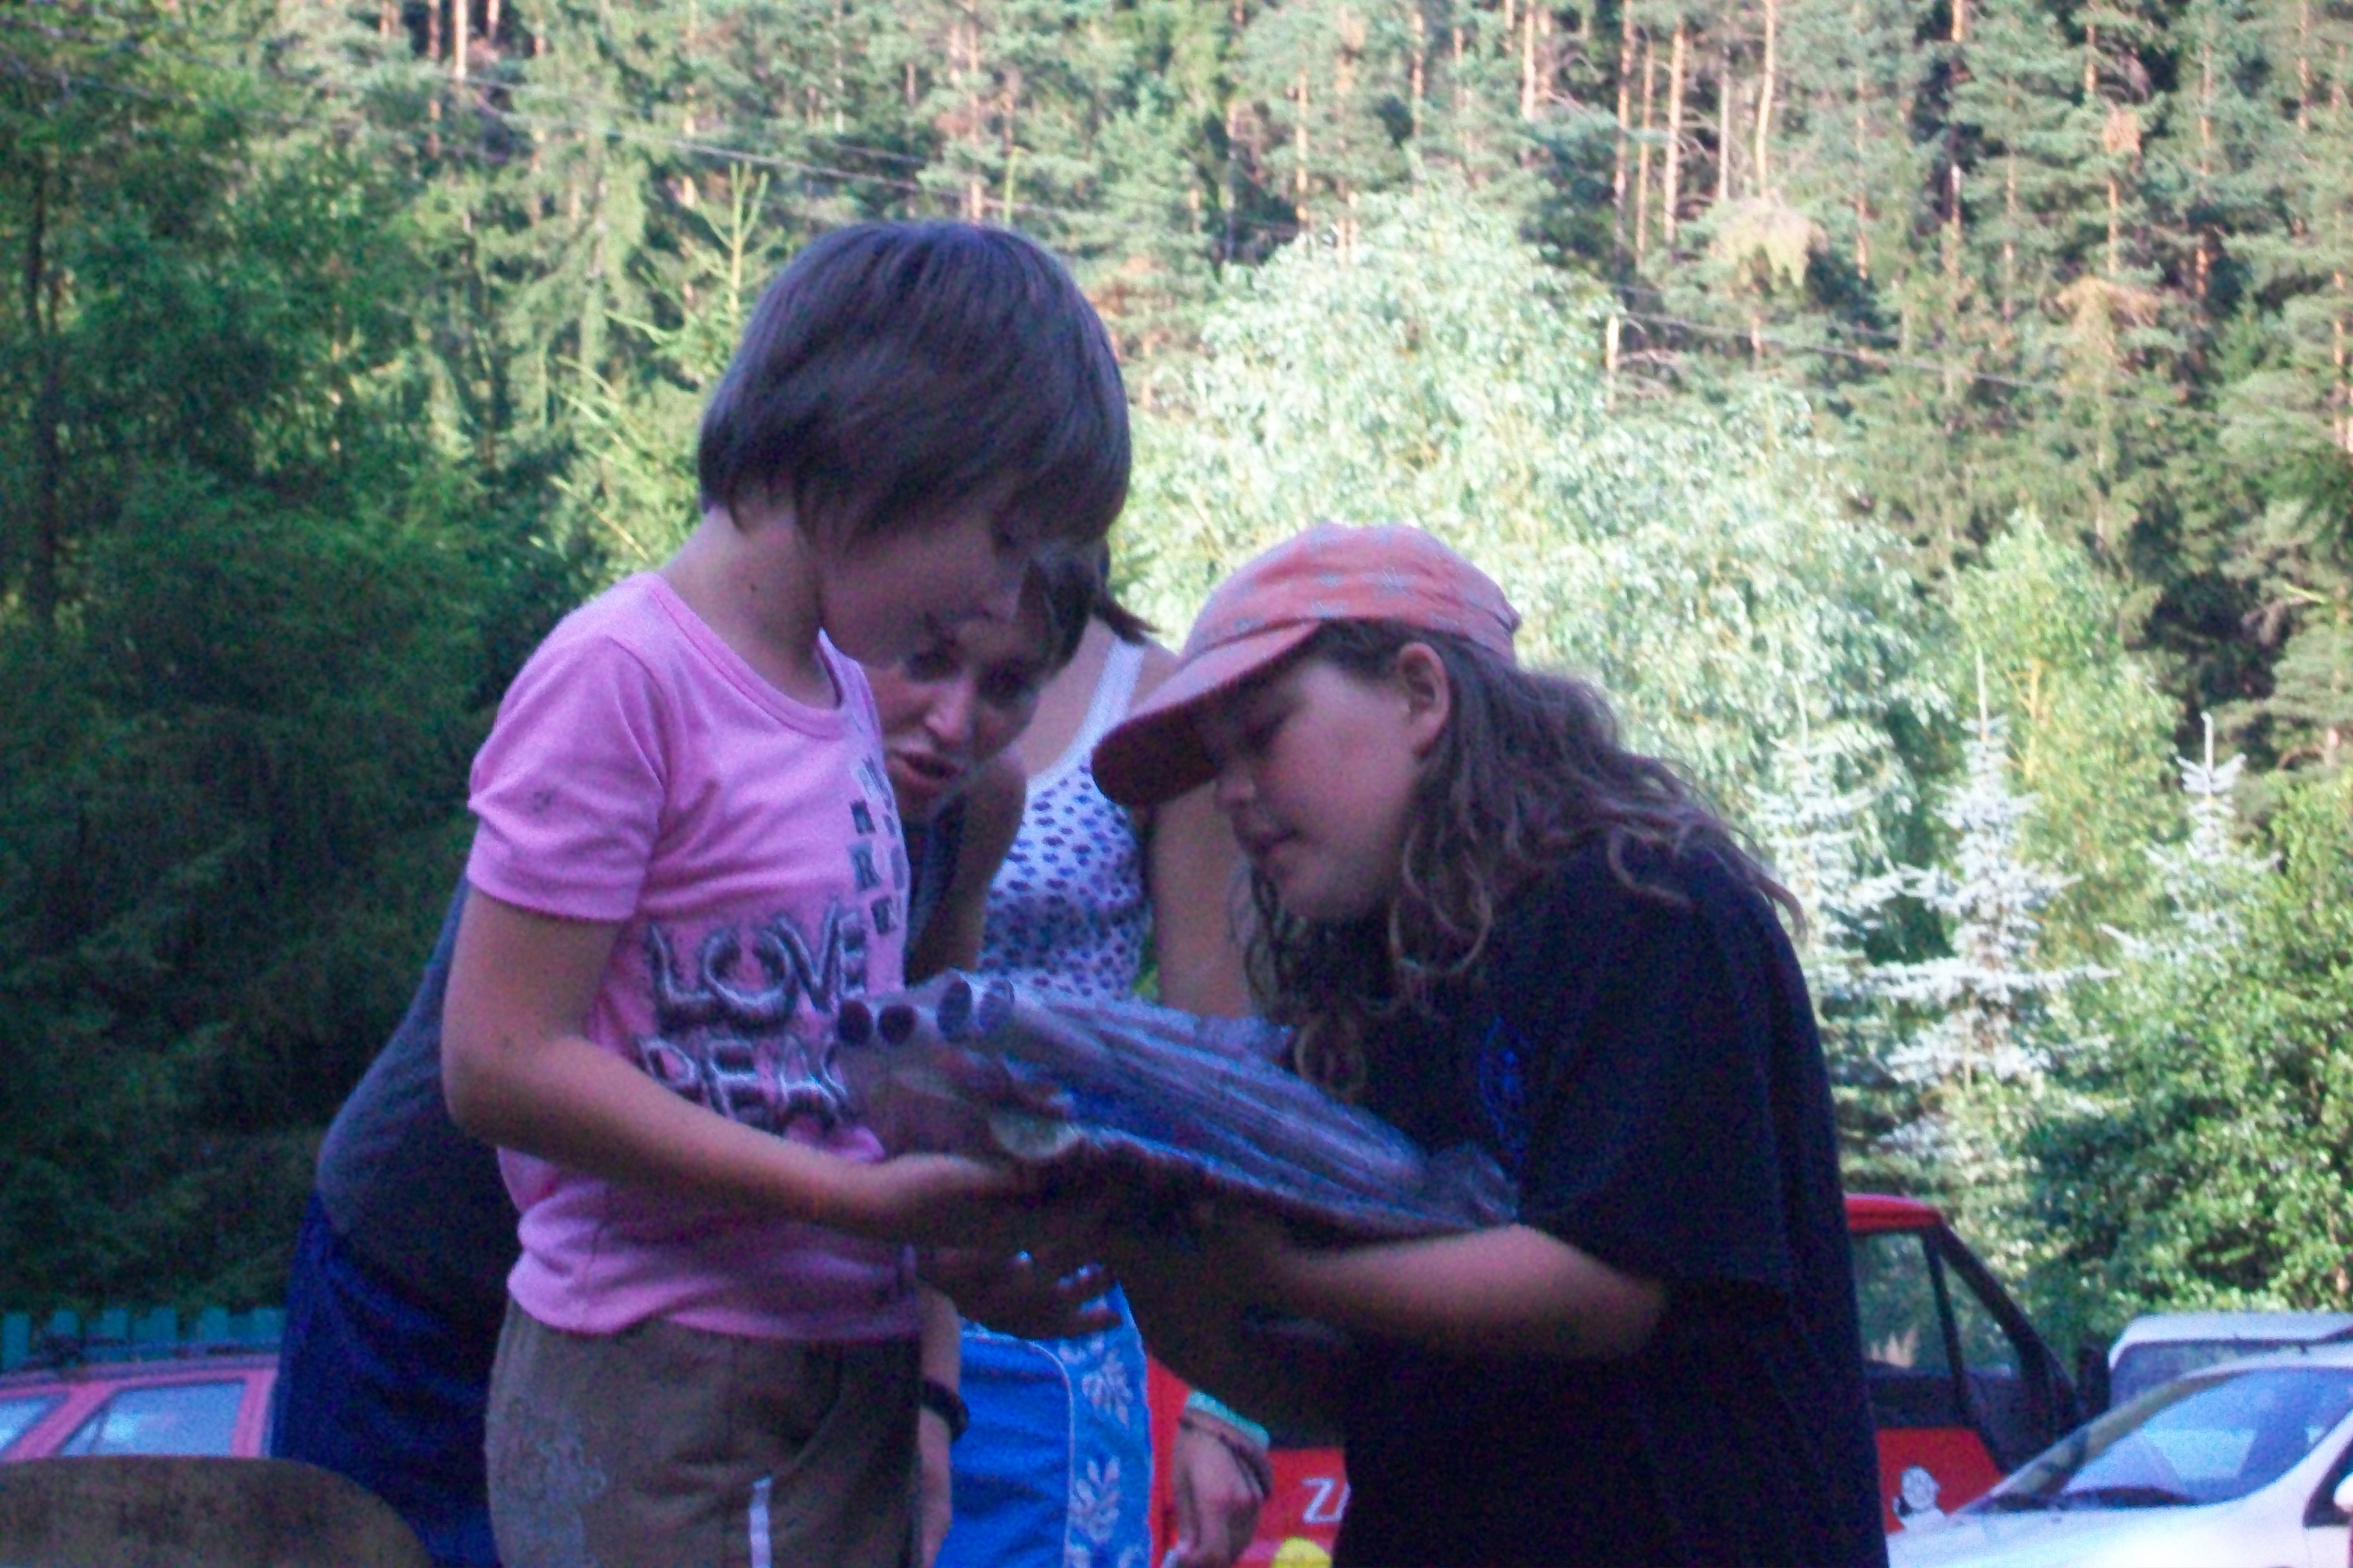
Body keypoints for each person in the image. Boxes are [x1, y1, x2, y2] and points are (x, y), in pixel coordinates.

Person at [438, 220, 1129, 1568]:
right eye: (1002, 537)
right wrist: (851, 1203)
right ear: (883, 446)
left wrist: (947, 1243)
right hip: (669, 1373)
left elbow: (829, 1071)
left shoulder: (840, 704)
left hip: (844, 1357)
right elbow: (498, 1062)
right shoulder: (625, 675)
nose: (1000, 593)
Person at [1085, 523, 1889, 1568]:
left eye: (1264, 733)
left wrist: (1286, 1271)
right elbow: (1355, 1387)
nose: (1231, 791)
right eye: (1217, 761)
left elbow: (1610, 1284)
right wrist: (1142, 1241)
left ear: (1421, 694)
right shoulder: (1373, 984)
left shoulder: (1645, 901)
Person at [269, 557, 1093, 1568]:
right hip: (423, 1286)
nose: (954, 722)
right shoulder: (672, 697)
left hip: (668, 1327)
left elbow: (911, 1110)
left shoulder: (974, 808)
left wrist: (932, 1390)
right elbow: (500, 1055)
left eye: (1008, 684)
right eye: (927, 660)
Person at [934, 583, 1269, 1568]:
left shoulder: (1154, 702)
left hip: (1057, 1294)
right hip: (852, 1275)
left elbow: (1218, 1055)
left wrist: (1228, 1400)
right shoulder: (854, 650)